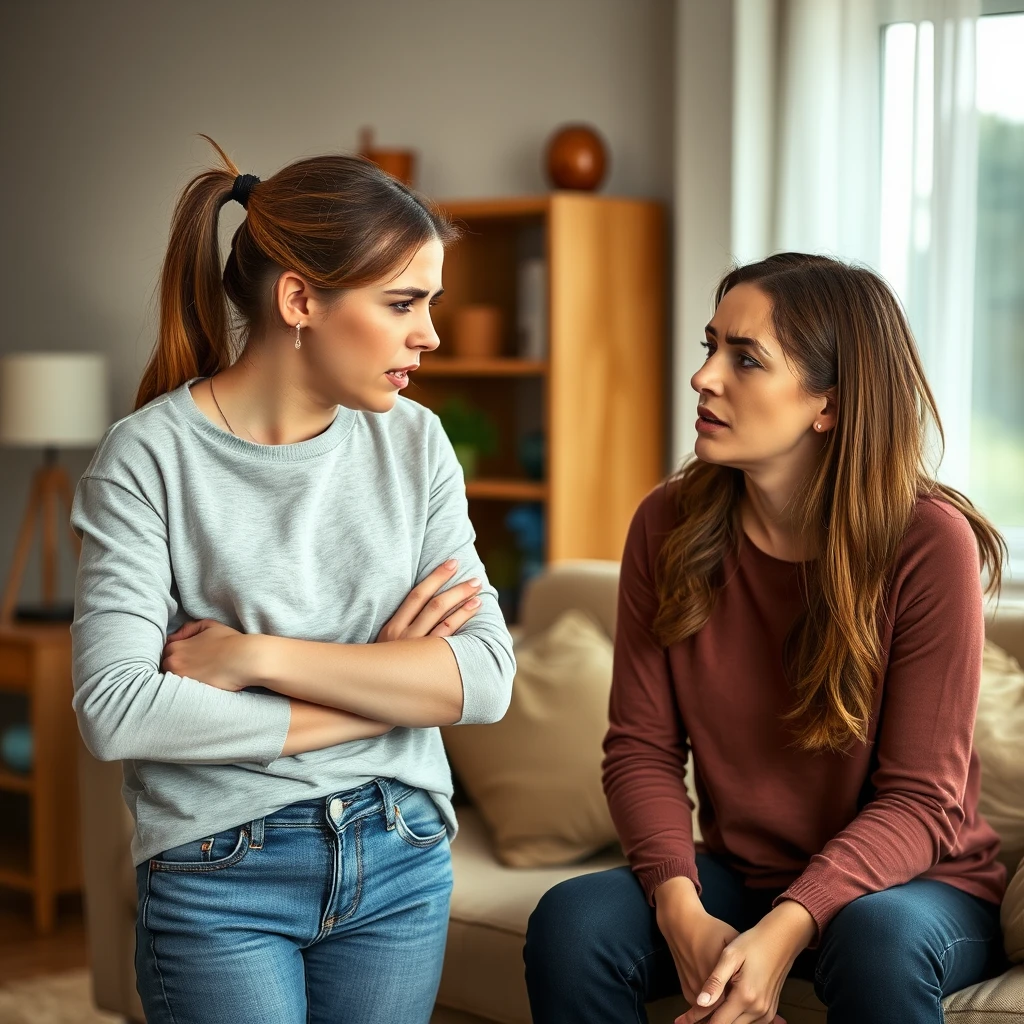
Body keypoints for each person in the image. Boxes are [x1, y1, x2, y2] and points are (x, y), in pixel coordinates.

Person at [70, 136, 515, 1024]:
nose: (429, 332)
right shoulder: (148, 457)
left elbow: (486, 680)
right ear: (300, 299)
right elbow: (117, 708)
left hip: (401, 851)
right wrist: (384, 689)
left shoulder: (416, 444)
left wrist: (252, 655)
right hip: (218, 869)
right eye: (403, 303)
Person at [523, 253, 1008, 1024]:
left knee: (876, 939)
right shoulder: (667, 524)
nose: (704, 377)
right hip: (741, 873)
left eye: (745, 359)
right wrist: (681, 912)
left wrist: (786, 928)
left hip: (915, 888)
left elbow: (921, 801)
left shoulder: (927, 542)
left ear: (830, 405)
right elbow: (641, 749)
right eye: (710, 346)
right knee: (574, 925)